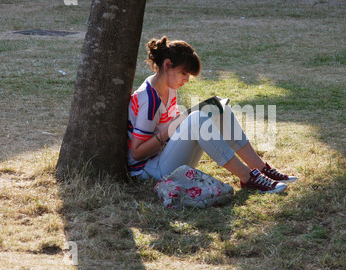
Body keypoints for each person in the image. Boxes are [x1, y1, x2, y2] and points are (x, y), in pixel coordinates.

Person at [127, 36, 297, 194]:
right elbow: (136, 153)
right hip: (149, 170)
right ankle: (248, 177)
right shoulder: (148, 99)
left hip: (167, 157)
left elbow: (169, 127)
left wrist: (178, 123)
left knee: (218, 109)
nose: (187, 80)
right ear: (167, 65)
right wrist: (174, 127)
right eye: (184, 73)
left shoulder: (169, 87)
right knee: (197, 119)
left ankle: (260, 168)